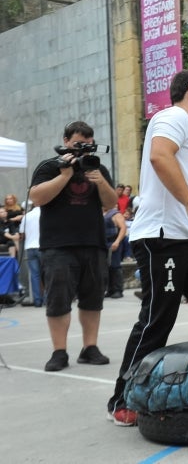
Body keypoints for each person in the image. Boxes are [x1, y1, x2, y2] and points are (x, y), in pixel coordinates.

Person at [107, 70, 188, 426]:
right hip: (162, 239)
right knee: (157, 319)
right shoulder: (173, 116)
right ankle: (123, 399)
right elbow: (160, 157)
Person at [30, 121, 118, 373]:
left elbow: (111, 203)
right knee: (58, 300)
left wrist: (100, 181)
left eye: (88, 144)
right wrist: (64, 176)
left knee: (93, 299)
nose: (83, 148)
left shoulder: (97, 167)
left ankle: (90, 347)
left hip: (93, 243)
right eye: (79, 143)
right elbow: (37, 198)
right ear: (66, 141)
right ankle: (59, 351)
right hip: (58, 245)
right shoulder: (50, 166)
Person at [103, 206, 127, 299]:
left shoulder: (116, 214)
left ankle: (118, 290)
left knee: (115, 266)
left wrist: (117, 241)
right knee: (106, 267)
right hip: (104, 243)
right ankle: (110, 290)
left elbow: (123, 228)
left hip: (113, 242)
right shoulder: (102, 213)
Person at [21, 204, 42, 307]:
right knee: (47, 274)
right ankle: (48, 299)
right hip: (43, 247)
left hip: (29, 247)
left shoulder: (26, 216)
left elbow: (22, 233)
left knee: (35, 275)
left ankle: (37, 300)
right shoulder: (45, 213)